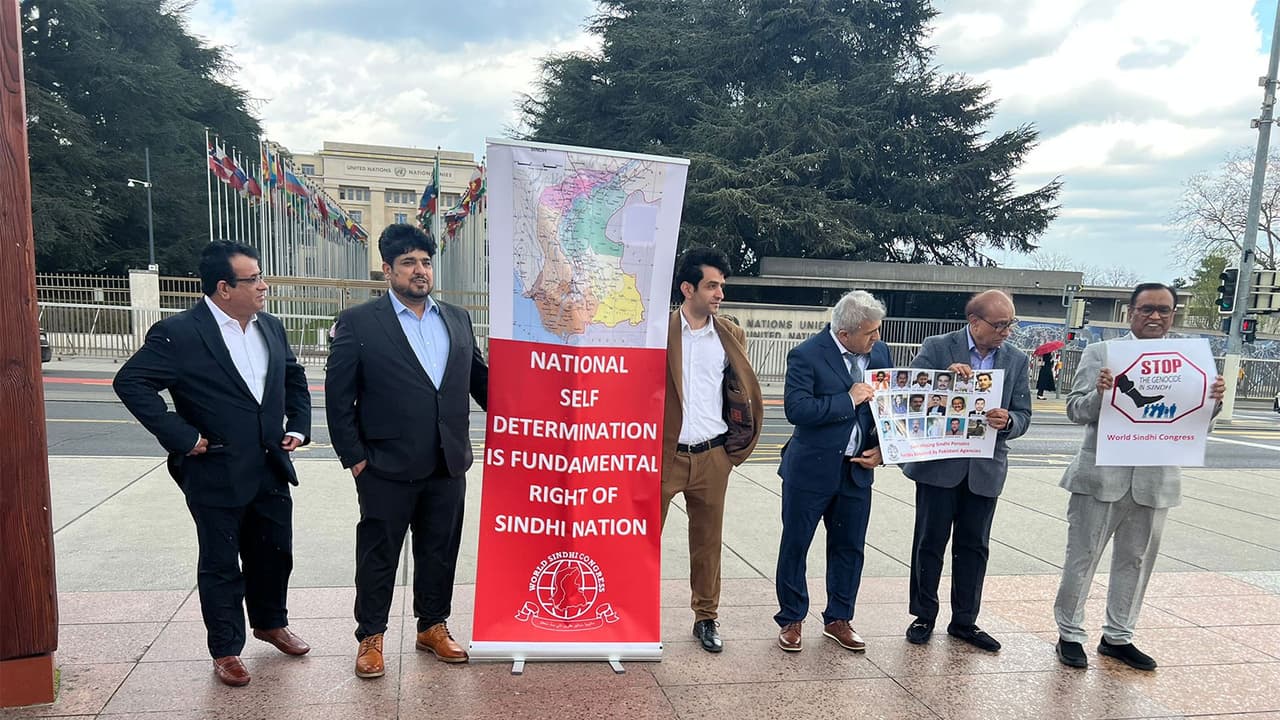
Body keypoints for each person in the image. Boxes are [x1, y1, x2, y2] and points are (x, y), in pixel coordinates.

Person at [113, 241, 312, 687]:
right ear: (224, 288)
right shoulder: (180, 333)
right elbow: (132, 382)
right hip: (215, 468)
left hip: (270, 464)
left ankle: (270, 623)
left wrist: (298, 426)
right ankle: (226, 649)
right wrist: (181, 436)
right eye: (253, 279)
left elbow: (293, 377)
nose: (263, 286)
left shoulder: (270, 327)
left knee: (274, 553)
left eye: (261, 276)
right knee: (222, 562)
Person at [326, 223, 488, 678]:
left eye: (426, 262)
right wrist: (356, 459)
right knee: (378, 555)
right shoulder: (359, 322)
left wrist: (536, 404)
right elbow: (338, 398)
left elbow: (481, 382)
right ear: (388, 270)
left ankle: (432, 626)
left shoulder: (456, 318)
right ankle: (371, 636)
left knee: (440, 551)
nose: (420, 271)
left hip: (446, 462)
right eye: (408, 263)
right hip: (384, 467)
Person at [1053, 283, 1225, 671]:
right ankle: (1070, 633)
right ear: (1130, 312)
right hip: (1100, 476)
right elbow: (1075, 411)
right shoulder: (1102, 353)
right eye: (1147, 309)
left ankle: (1118, 636)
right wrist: (1100, 395)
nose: (1155, 316)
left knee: (1137, 560)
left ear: (1173, 315)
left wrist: (1213, 403)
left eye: (1164, 310)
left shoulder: (1190, 361)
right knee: (1082, 558)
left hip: (1155, 479)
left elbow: (1197, 425)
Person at [901, 290, 1032, 652]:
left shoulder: (1016, 359)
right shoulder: (938, 347)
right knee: (929, 543)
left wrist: (1009, 421)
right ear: (974, 322)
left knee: (974, 547)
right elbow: (908, 392)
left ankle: (964, 621)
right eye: (999, 324)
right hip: (939, 465)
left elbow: (1024, 414)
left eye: (1010, 324)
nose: (1006, 331)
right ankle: (923, 615)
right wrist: (941, 380)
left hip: (985, 468)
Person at [774, 290, 892, 653]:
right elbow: (797, 410)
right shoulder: (807, 355)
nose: (876, 338)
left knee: (849, 548)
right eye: (870, 332)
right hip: (810, 471)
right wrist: (848, 400)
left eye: (877, 330)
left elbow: (890, 407)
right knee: (796, 545)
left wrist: (883, 450)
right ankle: (792, 617)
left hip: (856, 471)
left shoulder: (880, 353)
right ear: (844, 333)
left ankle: (839, 618)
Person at [661, 247, 764, 653]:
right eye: (711, 286)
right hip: (664, 455)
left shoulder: (729, 335)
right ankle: (629, 612)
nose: (720, 293)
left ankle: (706, 617)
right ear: (687, 289)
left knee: (707, 544)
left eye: (722, 285)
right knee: (642, 539)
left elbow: (738, 391)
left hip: (713, 456)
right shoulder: (658, 331)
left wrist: (731, 452)